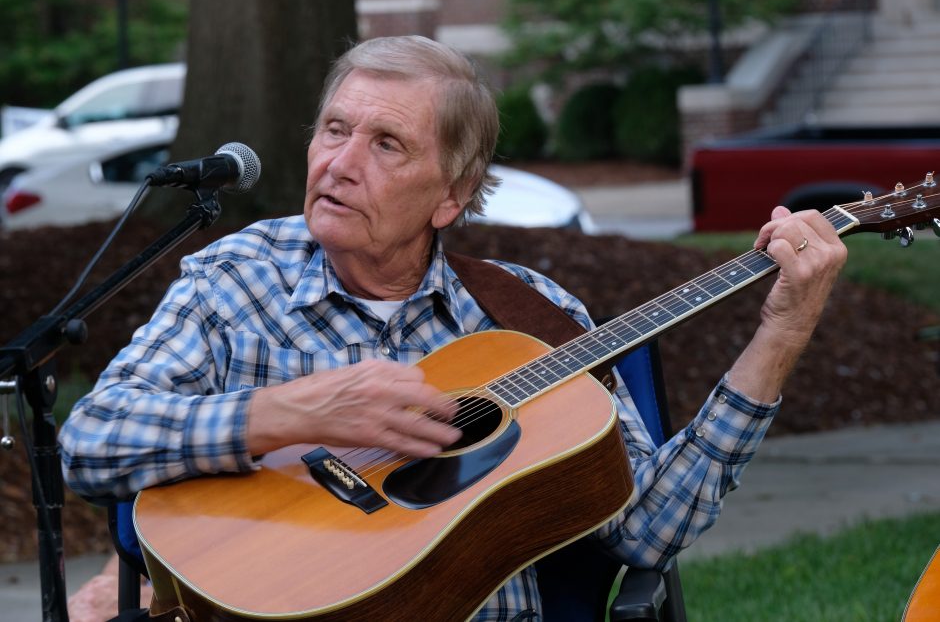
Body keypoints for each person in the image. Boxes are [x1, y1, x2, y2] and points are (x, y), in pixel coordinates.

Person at [59, 35, 847, 620]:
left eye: (386, 144)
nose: (339, 162)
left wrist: (780, 334)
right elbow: (91, 441)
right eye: (334, 130)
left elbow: (649, 532)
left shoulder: (531, 319)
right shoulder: (238, 276)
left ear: (451, 196)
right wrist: (293, 414)